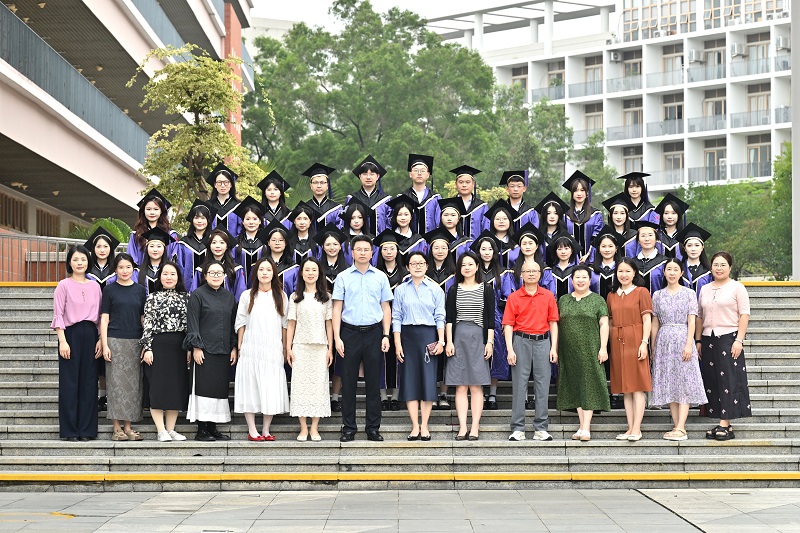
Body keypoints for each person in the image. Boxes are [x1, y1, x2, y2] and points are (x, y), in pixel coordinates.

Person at [332, 235, 393, 442]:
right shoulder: (343, 277)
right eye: (359, 249)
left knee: (373, 383)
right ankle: (349, 428)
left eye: (366, 249)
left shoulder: (380, 277)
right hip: (349, 333)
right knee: (348, 382)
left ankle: (373, 428)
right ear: (352, 252)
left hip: (374, 333)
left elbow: (386, 308)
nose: (363, 253)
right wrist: (337, 338)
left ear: (372, 252)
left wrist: (386, 335)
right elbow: (337, 308)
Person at [650, 258, 708, 441]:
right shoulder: (657, 295)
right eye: (669, 269)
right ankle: (677, 426)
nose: (672, 273)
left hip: (683, 338)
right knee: (671, 384)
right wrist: (653, 345)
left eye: (676, 269)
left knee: (684, 382)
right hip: (664, 340)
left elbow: (692, 320)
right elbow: (655, 322)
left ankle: (681, 427)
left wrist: (689, 344)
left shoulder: (689, 293)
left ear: (682, 273)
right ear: (664, 272)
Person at [503, 258, 559, 442]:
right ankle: (518, 428)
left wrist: (554, 347)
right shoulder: (514, 297)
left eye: (535, 271)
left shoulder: (548, 296)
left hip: (543, 341)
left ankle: (541, 428)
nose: (531, 274)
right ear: (521, 275)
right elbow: (508, 325)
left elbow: (553, 323)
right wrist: (510, 349)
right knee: (519, 385)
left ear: (540, 274)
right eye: (528, 271)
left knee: (543, 385)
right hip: (521, 341)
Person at [697, 251, 751, 441]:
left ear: (730, 267)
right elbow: (700, 316)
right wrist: (698, 341)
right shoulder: (705, 289)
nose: (719, 268)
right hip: (708, 338)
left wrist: (739, 340)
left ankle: (725, 423)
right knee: (713, 380)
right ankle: (723, 420)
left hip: (729, 337)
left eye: (723, 265)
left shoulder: (737, 287)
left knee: (729, 380)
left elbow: (744, 314)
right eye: (715, 265)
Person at [234, 257, 290, 441]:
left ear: (274, 273)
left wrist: (285, 348)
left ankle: (266, 429)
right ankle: (252, 430)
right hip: (251, 346)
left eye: (268, 269)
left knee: (270, 386)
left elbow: (285, 324)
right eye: (261, 269)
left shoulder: (281, 296)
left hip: (272, 347)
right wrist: (240, 345)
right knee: (249, 386)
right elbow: (241, 321)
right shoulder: (247, 295)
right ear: (256, 273)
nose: (264, 273)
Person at [393, 251, 446, 441]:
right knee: (410, 381)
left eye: (421, 263)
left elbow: (440, 316)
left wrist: (441, 341)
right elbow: (396, 317)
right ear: (407, 267)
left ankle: (425, 425)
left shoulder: (435, 289)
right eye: (413, 263)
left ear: (426, 266)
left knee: (427, 381)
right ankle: (415, 425)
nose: (417, 266)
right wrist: (397, 343)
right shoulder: (400, 290)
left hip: (428, 336)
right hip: (407, 337)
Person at [52, 245, 102, 442]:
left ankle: (87, 429)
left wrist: (100, 339)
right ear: (69, 263)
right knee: (70, 383)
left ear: (88, 262)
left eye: (83, 259)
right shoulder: (63, 285)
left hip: (91, 334)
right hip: (70, 335)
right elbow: (58, 314)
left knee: (89, 382)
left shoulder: (95, 286)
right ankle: (70, 430)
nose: (80, 263)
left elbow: (100, 316)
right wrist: (62, 341)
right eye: (75, 259)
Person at [184, 261, 238, 441]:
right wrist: (196, 347)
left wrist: (233, 347)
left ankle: (213, 428)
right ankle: (202, 430)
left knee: (218, 390)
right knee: (203, 390)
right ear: (205, 275)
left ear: (224, 276)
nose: (216, 276)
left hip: (223, 351)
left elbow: (232, 324)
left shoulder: (229, 297)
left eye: (219, 273)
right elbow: (192, 323)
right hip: (204, 351)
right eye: (212, 273)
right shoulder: (197, 295)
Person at [445, 252, 495, 440]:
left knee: (476, 386)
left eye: (470, 264)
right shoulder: (454, 290)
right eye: (463, 265)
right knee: (460, 386)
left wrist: (489, 342)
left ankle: (474, 427)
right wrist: (449, 341)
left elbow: (490, 319)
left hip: (478, 337)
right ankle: (462, 427)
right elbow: (449, 318)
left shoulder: (486, 289)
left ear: (477, 266)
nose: (467, 268)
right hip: (458, 337)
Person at [556, 265, 609, 441]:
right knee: (575, 385)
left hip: (590, 348)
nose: (580, 280)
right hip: (568, 350)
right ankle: (581, 425)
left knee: (589, 385)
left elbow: (604, 324)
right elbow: (557, 324)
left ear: (590, 280)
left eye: (584, 277)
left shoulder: (597, 300)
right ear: (572, 280)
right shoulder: (563, 300)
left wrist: (603, 347)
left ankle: (586, 427)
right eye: (577, 277)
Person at [140, 261, 191, 442]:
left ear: (178, 277)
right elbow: (148, 324)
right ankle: (160, 430)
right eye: (165, 274)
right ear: (159, 277)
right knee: (158, 387)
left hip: (179, 346)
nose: (169, 277)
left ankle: (171, 429)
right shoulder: (152, 297)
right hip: (158, 345)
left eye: (172, 274)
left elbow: (189, 325)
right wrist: (147, 348)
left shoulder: (186, 297)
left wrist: (189, 348)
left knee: (175, 388)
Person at [100, 253, 147, 441]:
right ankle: (116, 428)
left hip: (135, 341)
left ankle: (128, 427)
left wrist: (146, 343)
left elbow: (143, 318)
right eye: (120, 267)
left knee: (133, 386)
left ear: (133, 268)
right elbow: (104, 319)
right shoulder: (109, 290)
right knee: (115, 385)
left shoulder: (140, 290)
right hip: (115, 341)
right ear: (115, 270)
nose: (125, 271)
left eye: (128, 267)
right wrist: (105, 344)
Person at [287, 257, 334, 441]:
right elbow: (291, 324)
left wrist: (330, 349)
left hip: (320, 347)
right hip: (300, 347)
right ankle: (303, 428)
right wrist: (288, 348)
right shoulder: (295, 297)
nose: (310, 273)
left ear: (319, 273)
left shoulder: (326, 297)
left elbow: (329, 324)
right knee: (300, 387)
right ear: (301, 273)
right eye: (307, 270)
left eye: (314, 270)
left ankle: (314, 427)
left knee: (318, 388)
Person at [606, 258, 653, 441]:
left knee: (637, 386)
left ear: (634, 273)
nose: (624, 275)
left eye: (627, 271)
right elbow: (610, 321)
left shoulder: (641, 292)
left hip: (636, 338)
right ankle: (630, 427)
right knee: (625, 388)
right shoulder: (611, 295)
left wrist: (644, 342)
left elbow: (647, 319)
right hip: (618, 341)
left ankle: (637, 428)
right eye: (620, 271)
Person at [472, 231, 514, 410]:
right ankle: (479, 391)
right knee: (478, 355)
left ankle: (492, 394)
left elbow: (508, 298)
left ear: (495, 251)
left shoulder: (503, 273)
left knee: (496, 354)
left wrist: (506, 322)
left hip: (497, 318)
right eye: (483, 249)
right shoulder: (473, 271)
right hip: (475, 317)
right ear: (478, 251)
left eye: (490, 249)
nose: (487, 252)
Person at [84, 227, 120, 413]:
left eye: (106, 246)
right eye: (98, 246)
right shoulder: (87, 271)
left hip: (113, 320)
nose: (102, 249)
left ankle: (108, 396)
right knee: (95, 362)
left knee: (109, 362)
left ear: (111, 249)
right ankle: (98, 396)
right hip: (91, 320)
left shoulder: (116, 270)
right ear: (93, 249)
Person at [423, 227, 457, 409]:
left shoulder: (455, 272)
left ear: (448, 250)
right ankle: (430, 392)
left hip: (449, 320)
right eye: (436, 247)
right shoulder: (424, 273)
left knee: (446, 357)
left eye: (444, 247)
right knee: (430, 356)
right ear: (430, 249)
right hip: (428, 321)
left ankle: (443, 393)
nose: (440, 251)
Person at [374, 230, 408, 410]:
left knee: (398, 357)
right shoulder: (375, 273)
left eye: (392, 248)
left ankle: (395, 396)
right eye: (385, 248)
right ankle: (381, 396)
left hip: (401, 321)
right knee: (380, 358)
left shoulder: (405, 274)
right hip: (378, 321)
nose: (389, 252)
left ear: (397, 251)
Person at [127, 189, 177, 268]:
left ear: (161, 211)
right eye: (148, 209)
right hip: (141, 274)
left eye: (156, 209)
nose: (152, 212)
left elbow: (174, 257)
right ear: (143, 211)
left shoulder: (171, 234)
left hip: (164, 273)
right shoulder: (136, 235)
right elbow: (131, 259)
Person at [193, 228, 247, 301]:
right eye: (214, 242)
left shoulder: (236, 269)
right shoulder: (201, 270)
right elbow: (194, 294)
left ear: (227, 246)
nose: (218, 246)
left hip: (230, 307)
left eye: (222, 242)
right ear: (209, 246)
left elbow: (240, 294)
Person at [562, 171, 603, 262]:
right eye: (576, 190)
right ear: (572, 193)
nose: (579, 194)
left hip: (591, 261)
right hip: (570, 261)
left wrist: (588, 256)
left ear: (587, 192)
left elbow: (597, 239)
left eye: (582, 190)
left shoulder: (596, 214)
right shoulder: (565, 215)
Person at [175, 200, 214, 291]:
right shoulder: (184, 243)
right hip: (187, 288)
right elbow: (179, 266)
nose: (199, 221)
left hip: (210, 289)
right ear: (192, 220)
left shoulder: (213, 241)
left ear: (208, 220)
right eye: (196, 218)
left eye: (203, 218)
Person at [348, 155, 391, 234]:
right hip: (357, 240)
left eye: (372, 174)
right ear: (360, 176)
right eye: (365, 174)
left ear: (377, 176)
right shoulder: (351, 198)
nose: (368, 177)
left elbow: (390, 225)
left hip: (381, 241)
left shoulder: (386, 200)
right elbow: (346, 224)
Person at [402, 154, 440, 235]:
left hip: (430, 241)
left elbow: (439, 223)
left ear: (428, 175)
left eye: (422, 171)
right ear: (410, 174)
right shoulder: (402, 197)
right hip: (408, 241)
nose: (419, 173)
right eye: (416, 170)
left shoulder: (435, 198)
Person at [259, 220, 299, 296]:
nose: (277, 243)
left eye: (281, 240)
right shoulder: (260, 266)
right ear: (268, 243)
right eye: (274, 240)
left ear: (286, 243)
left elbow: (296, 292)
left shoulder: (294, 268)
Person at [234, 196, 267, 286]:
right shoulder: (235, 243)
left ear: (260, 221)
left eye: (255, 219)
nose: (251, 222)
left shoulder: (266, 243)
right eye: (248, 219)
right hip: (239, 288)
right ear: (242, 221)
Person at [448, 165, 487, 239]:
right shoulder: (449, 205)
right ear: (456, 184)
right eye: (461, 182)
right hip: (453, 245)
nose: (464, 185)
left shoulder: (482, 207)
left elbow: (486, 229)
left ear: (473, 184)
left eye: (468, 182)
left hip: (475, 245)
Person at [303, 163, 343, 230]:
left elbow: (341, 230)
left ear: (327, 185)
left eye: (322, 182)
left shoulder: (337, 209)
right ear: (311, 185)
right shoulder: (304, 208)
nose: (319, 186)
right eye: (315, 182)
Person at [677, 223, 713, 298]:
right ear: (685, 248)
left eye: (697, 245)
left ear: (702, 247)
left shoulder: (709, 273)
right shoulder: (678, 270)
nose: (693, 249)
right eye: (689, 245)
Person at [387, 195, 427, 261]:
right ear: (395, 217)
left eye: (406, 214)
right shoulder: (389, 238)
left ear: (411, 217)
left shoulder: (419, 241)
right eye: (399, 214)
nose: (403, 218)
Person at [207, 162, 242, 236]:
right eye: (219, 182)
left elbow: (241, 230)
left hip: (233, 243)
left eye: (226, 182)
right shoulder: (208, 205)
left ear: (231, 184)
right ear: (215, 185)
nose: (222, 185)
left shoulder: (238, 206)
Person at [633, 221, 667, 295]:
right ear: (638, 240)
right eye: (643, 236)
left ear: (656, 239)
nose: (647, 239)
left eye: (650, 235)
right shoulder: (632, 263)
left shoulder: (664, 262)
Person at [535, 192, 572, 259]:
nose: (552, 216)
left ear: (559, 215)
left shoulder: (567, 237)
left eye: (556, 213)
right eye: (548, 213)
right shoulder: (537, 237)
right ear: (544, 215)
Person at [137, 227, 172, 296]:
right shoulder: (138, 271)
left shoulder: (171, 271)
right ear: (147, 249)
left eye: (159, 246)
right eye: (152, 246)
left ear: (164, 250)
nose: (155, 250)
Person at [600, 193, 637, 258]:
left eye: (622, 213)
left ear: (627, 215)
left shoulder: (635, 235)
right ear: (609, 214)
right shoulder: (604, 234)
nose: (619, 217)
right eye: (615, 213)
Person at [484, 199, 519, 268]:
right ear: (492, 221)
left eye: (505, 219)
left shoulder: (517, 245)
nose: (501, 221)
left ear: (510, 221)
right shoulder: (485, 242)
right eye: (497, 219)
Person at [655, 193, 689, 260]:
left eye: (673, 213)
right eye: (666, 213)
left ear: (678, 215)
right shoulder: (655, 235)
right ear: (662, 216)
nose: (670, 216)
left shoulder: (685, 236)